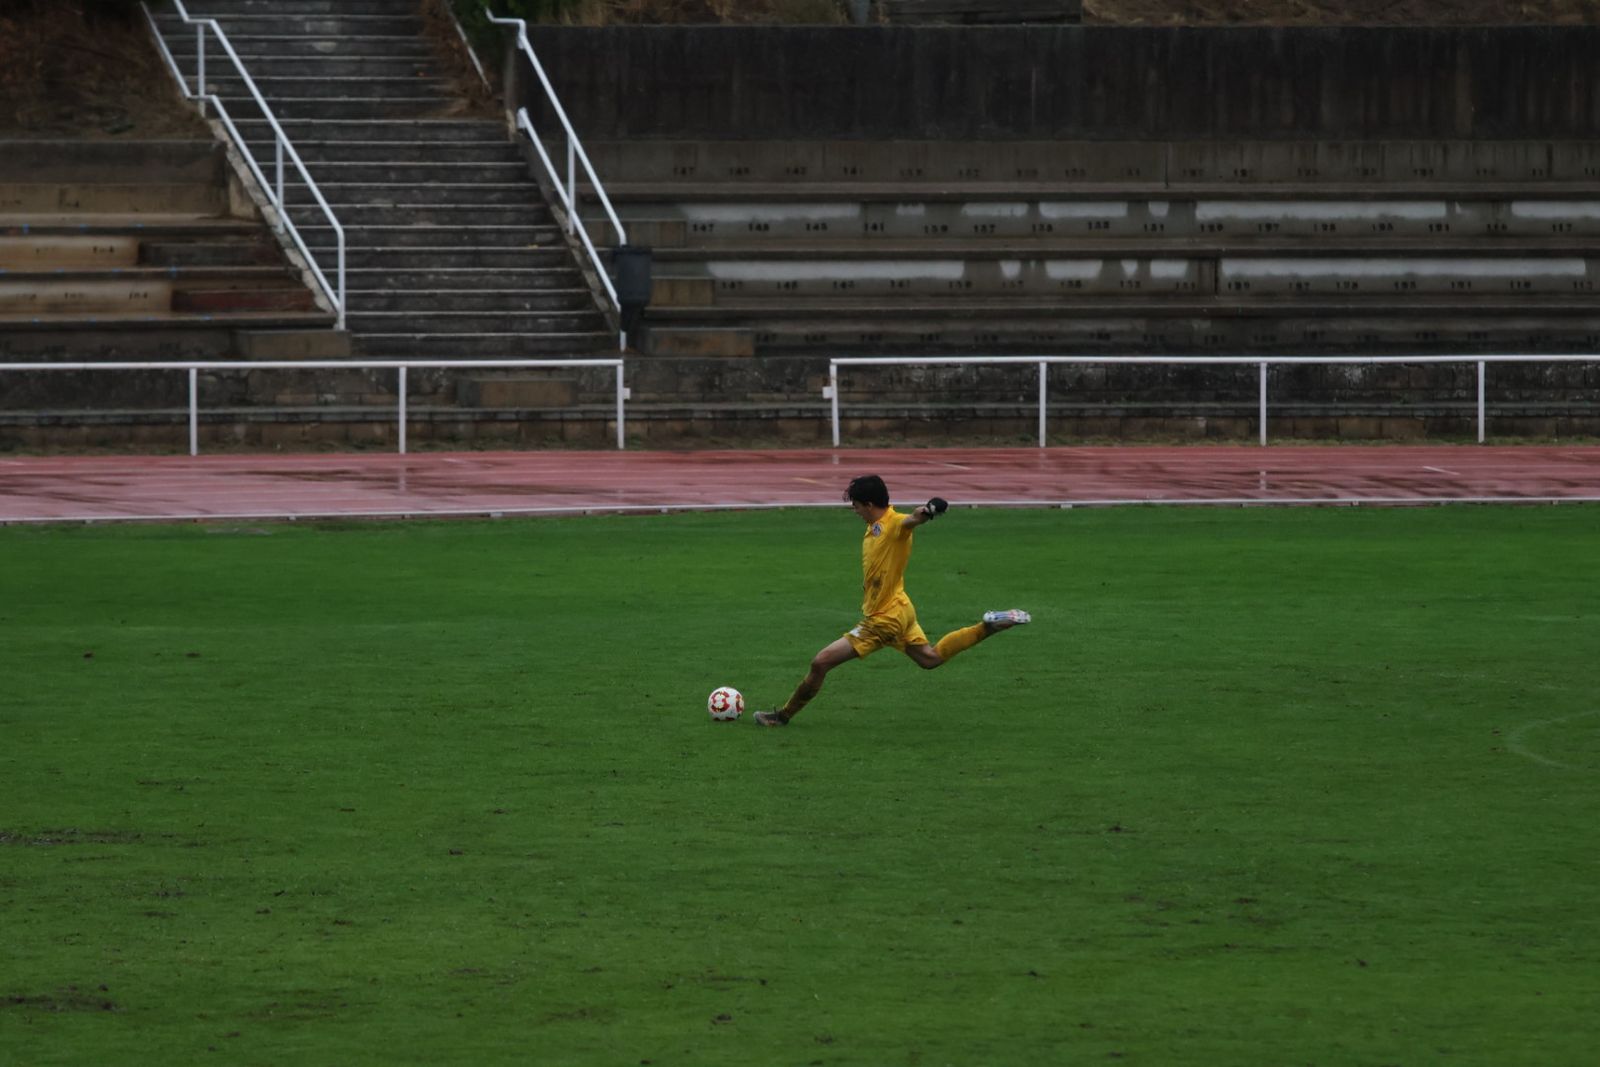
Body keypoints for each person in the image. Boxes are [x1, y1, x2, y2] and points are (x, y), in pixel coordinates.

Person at [753, 474, 1030, 727]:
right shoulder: (876, 525)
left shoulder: (894, 524)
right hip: (901, 608)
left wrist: (929, 510)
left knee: (820, 662)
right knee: (930, 659)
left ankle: (782, 717)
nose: (854, 510)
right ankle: (988, 626)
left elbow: (913, 519)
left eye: (857, 505)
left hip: (884, 619)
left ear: (870, 504)